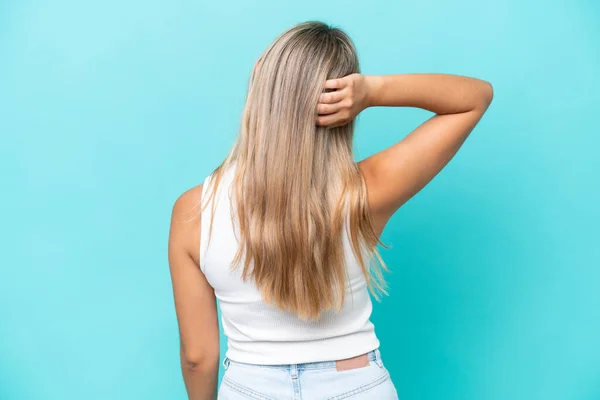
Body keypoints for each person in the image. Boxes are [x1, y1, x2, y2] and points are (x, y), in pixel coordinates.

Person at [168, 20, 493, 400]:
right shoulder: (367, 191)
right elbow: (475, 97)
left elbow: (198, 357)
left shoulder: (194, 211)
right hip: (356, 385)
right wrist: (373, 90)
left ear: (259, 80)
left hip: (250, 388)